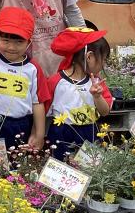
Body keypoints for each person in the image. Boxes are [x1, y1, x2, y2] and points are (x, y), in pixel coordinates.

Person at [0, 7, 50, 152]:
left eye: (19, 42)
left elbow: (38, 103)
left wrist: (39, 134)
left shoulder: (33, 69)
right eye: (5, 40)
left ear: (28, 42)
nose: (11, 47)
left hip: (21, 125)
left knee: (17, 161)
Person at [46, 27, 112, 161]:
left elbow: (105, 112)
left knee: (90, 168)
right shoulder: (56, 82)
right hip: (61, 134)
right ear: (89, 56)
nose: (104, 64)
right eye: (104, 59)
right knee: (62, 167)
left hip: (90, 131)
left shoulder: (97, 83)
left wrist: (97, 96)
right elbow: (43, 111)